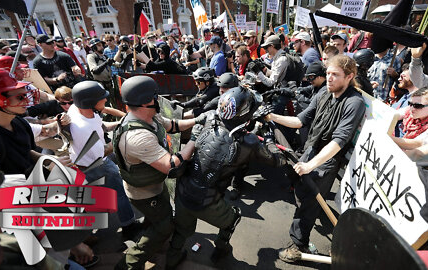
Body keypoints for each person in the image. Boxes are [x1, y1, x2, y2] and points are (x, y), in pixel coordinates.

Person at [165, 86, 288, 268]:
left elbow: (187, 123)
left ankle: (171, 259)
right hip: (207, 202)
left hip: (183, 192)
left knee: (181, 231)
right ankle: (221, 249)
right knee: (234, 217)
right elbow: (279, 161)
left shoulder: (209, 116)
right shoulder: (250, 142)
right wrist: (269, 139)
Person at [263, 55, 366, 262]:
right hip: (311, 149)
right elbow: (300, 121)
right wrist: (272, 117)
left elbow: (338, 142)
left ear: (349, 76)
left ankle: (298, 246)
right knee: (302, 195)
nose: (329, 78)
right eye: (328, 73)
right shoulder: (323, 94)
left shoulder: (354, 103)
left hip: (328, 159)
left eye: (335, 75)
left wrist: (310, 165)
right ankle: (306, 221)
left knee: (308, 203)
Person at [113, 76, 201, 269]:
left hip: (153, 186)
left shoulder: (148, 116)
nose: (158, 98)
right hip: (144, 193)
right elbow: (171, 164)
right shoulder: (138, 136)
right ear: (145, 102)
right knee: (164, 227)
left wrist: (198, 120)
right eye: (155, 95)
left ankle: (150, 231)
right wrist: (195, 140)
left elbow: (173, 126)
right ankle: (130, 263)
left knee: (160, 215)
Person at [68, 81, 141, 240]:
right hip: (97, 164)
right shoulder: (82, 129)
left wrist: (121, 122)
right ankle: (129, 226)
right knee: (119, 192)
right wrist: (125, 132)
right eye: (102, 98)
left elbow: (100, 126)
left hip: (83, 163)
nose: (106, 101)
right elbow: (103, 152)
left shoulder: (78, 109)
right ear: (90, 103)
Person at [0, 67, 72, 174]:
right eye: (20, 97)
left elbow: (27, 152)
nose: (27, 100)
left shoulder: (18, 122)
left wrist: (51, 161)